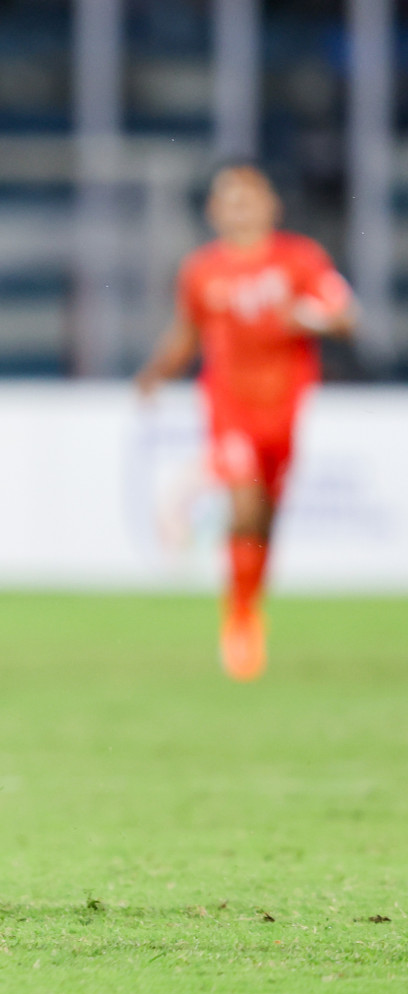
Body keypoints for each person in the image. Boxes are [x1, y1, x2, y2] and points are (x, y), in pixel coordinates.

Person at [136, 165, 354, 682]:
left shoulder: (300, 260)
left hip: (283, 407)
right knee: (245, 498)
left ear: (271, 205)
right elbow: (187, 335)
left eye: (248, 197)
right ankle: (238, 622)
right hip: (227, 403)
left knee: (267, 515)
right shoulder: (201, 271)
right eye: (228, 200)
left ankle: (248, 604)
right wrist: (154, 375)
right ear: (213, 212)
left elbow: (346, 315)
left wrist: (312, 319)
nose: (239, 208)